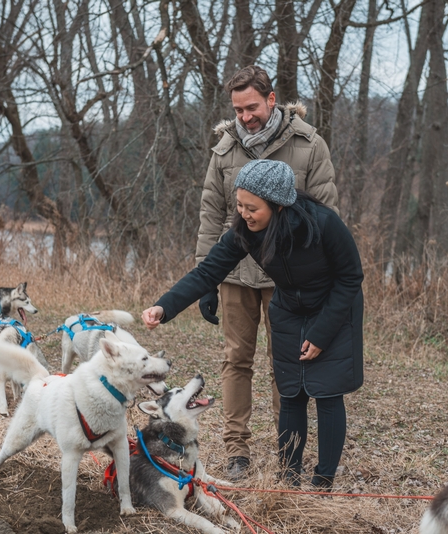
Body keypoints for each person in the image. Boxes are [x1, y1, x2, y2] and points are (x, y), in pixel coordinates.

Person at [143, 159, 363, 489]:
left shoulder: (323, 223)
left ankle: (323, 481)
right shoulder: (246, 232)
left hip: (333, 308)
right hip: (289, 310)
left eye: (252, 207)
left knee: (327, 393)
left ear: (278, 204)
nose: (244, 213)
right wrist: (164, 306)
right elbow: (207, 272)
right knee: (291, 393)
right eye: (240, 205)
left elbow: (350, 278)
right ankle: (289, 479)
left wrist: (321, 333)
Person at [195, 65, 339, 479]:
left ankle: (287, 452)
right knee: (236, 360)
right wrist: (206, 278)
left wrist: (319, 277)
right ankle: (237, 451)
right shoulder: (223, 151)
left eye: (252, 107)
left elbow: (326, 215)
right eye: (238, 110)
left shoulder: (309, 146)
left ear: (271, 99)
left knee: (287, 365)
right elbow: (211, 215)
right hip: (235, 274)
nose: (245, 117)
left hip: (287, 279)